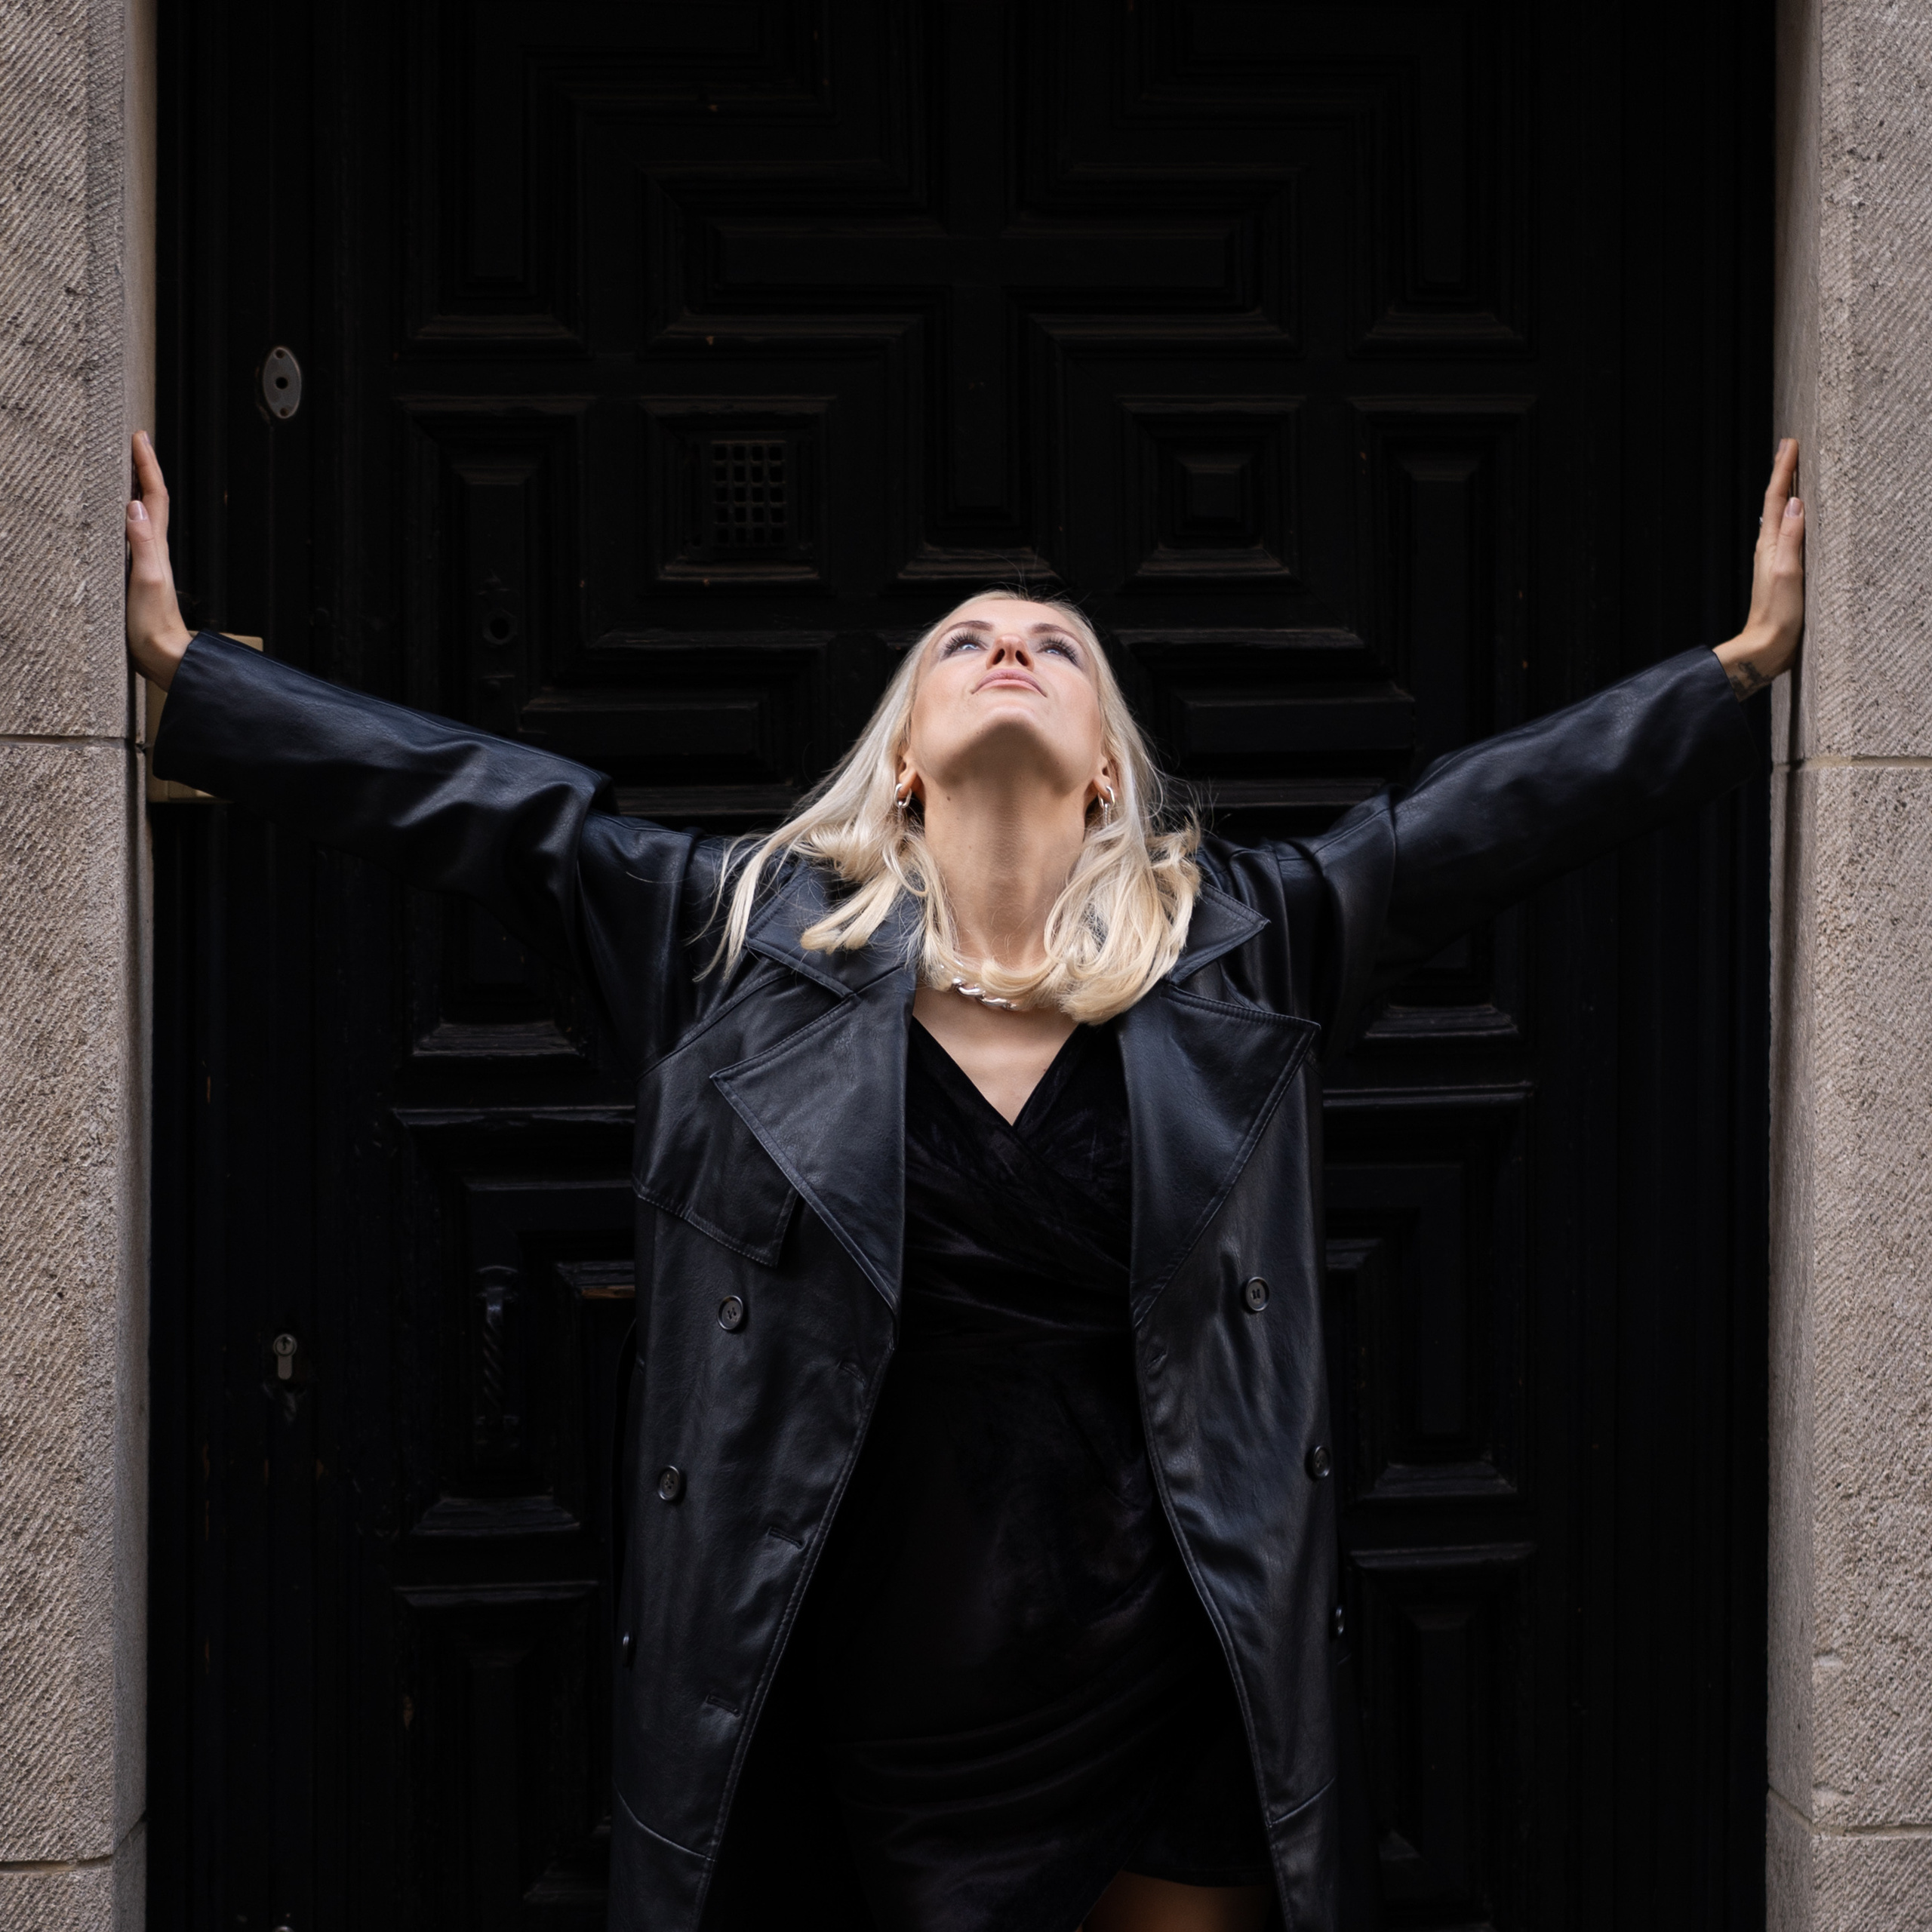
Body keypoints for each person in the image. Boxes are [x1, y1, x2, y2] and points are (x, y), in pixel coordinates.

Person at [125, 432, 1805, 1932]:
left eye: (1054, 644)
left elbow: (1474, 823)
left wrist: (1731, 673)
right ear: (906, 756)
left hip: (1165, 1690)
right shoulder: (725, 944)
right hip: (847, 1701)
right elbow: (487, 814)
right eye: (965, 639)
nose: (1010, 644)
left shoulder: (1246, 946)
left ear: (1102, 769)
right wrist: (193, 676)